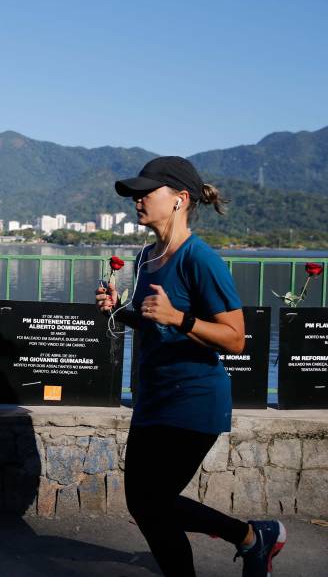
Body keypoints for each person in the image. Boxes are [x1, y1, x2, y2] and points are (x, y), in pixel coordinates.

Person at [95, 156, 286, 577]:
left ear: (180, 199)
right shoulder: (148, 256)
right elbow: (154, 323)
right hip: (154, 397)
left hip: (194, 399)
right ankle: (252, 538)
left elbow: (235, 338)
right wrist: (121, 311)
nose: (138, 200)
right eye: (136, 193)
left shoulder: (201, 259)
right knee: (144, 506)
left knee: (154, 504)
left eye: (147, 192)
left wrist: (179, 318)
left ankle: (253, 538)